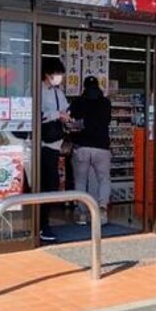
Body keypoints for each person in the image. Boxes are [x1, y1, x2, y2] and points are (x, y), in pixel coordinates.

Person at [69, 76, 112, 226]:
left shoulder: (77, 102)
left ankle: (81, 214)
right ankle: (101, 212)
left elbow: (70, 122)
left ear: (84, 87)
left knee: (80, 181)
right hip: (102, 147)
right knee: (103, 180)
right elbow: (106, 121)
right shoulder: (106, 102)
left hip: (82, 146)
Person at [39, 57, 70, 241]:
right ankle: (42, 225)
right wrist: (56, 114)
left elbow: (66, 109)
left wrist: (68, 116)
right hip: (43, 145)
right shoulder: (37, 91)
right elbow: (37, 115)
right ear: (47, 74)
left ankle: (45, 223)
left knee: (51, 185)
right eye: (56, 74)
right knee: (46, 185)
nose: (59, 78)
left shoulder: (59, 93)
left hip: (56, 144)